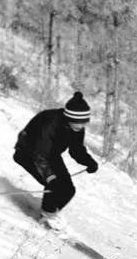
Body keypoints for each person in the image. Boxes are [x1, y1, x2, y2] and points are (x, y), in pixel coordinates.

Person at [12, 90, 98, 228]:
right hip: (28, 153)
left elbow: (76, 149)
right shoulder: (49, 123)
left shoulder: (77, 128)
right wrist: (50, 177)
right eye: (78, 122)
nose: (81, 126)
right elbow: (39, 154)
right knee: (55, 185)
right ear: (69, 118)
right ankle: (46, 216)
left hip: (50, 154)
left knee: (69, 189)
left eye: (84, 123)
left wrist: (89, 162)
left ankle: (47, 213)